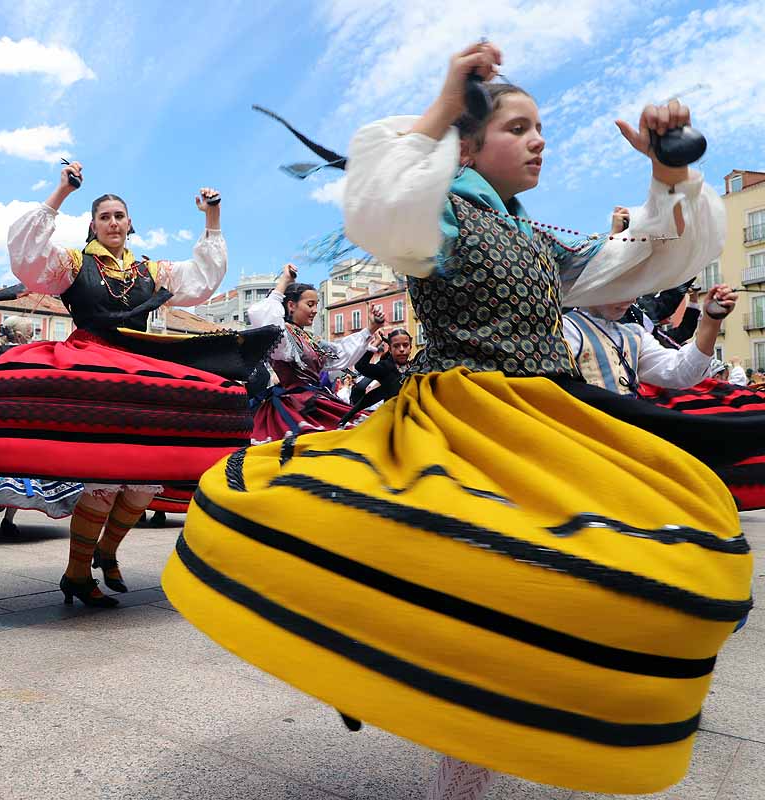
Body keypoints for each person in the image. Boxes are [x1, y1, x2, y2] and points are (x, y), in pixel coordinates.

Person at [164, 42, 748, 800]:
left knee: (658, 553)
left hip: (546, 415)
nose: (540, 139)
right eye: (519, 127)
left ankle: (490, 722)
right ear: (468, 145)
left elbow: (634, 265)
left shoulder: (540, 238)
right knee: (476, 565)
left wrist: (669, 176)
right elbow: (384, 208)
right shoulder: (436, 217)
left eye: (542, 127)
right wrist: (445, 101)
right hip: (463, 420)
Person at [0, 160, 267, 608]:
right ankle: (75, 572)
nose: (113, 222)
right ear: (93, 225)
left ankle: (106, 553)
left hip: (139, 370)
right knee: (103, 477)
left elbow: (203, 280)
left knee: (144, 481)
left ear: (130, 224)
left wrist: (211, 217)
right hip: (93, 371)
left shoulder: (151, 271)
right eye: (104, 216)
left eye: (119, 215)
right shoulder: (73, 263)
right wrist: (61, 192)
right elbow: (28, 260)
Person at [0, 316, 84, 536]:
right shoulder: (32, 356)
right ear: (21, 336)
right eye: (31, 334)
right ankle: (8, 520)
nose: (33, 337)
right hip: (22, 424)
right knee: (23, 471)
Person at [246, 264, 373, 444]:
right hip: (294, 405)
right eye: (310, 304)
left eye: (316, 305)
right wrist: (285, 281)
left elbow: (339, 355)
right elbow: (264, 318)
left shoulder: (310, 339)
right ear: (291, 305)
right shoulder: (282, 335)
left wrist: (371, 329)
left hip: (317, 399)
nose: (314, 310)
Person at [563, 281, 736, 396]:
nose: (629, 299)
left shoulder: (634, 334)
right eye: (620, 289)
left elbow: (681, 372)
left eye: (634, 290)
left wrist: (712, 320)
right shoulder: (565, 328)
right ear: (593, 284)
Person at [349, 327, 415, 411]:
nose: (401, 349)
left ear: (410, 348)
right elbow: (360, 366)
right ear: (390, 350)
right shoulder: (385, 368)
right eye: (396, 346)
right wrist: (376, 342)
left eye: (405, 345)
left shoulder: (418, 367)